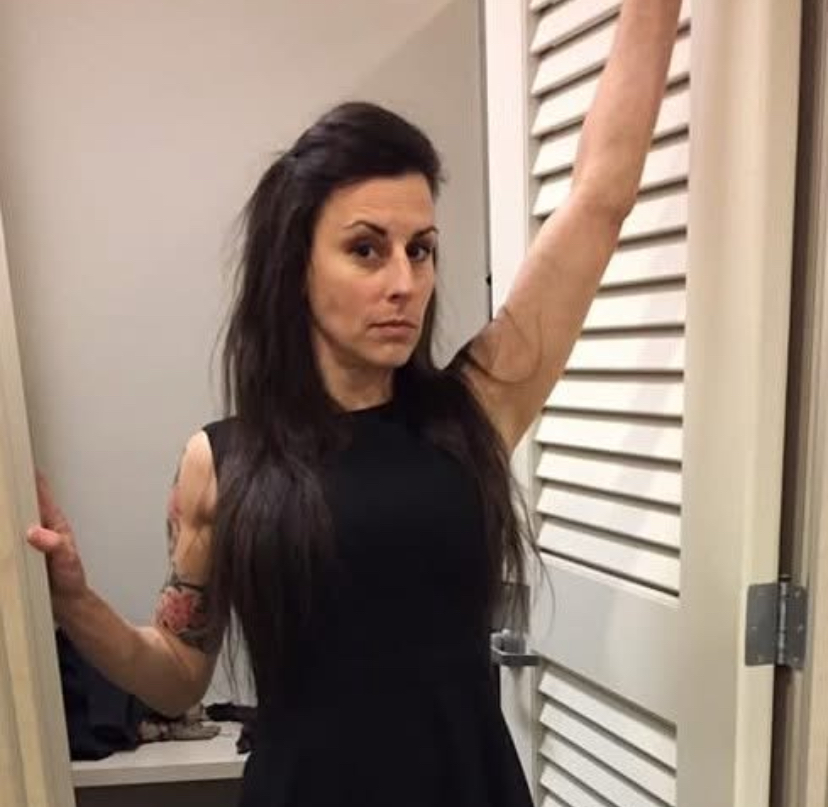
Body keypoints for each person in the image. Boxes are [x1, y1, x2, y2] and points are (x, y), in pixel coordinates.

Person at [27, 2, 682, 804]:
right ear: (296, 265)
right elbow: (176, 676)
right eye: (366, 248)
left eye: (421, 249)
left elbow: (599, 197)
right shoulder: (223, 463)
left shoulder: (473, 412)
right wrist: (76, 602)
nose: (404, 281)